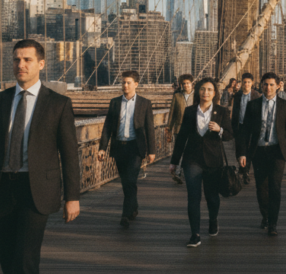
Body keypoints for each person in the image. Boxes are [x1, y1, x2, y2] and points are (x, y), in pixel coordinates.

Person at [0, 39, 80, 274]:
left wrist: (72, 196)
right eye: (16, 60)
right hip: (1, 188)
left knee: (25, 260)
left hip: (36, 191)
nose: (20, 64)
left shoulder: (59, 104)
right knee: (7, 259)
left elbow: (69, 153)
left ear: (41, 64)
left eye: (27, 60)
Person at [169, 77, 233, 248]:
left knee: (212, 198)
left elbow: (229, 135)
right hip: (192, 160)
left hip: (214, 161)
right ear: (198, 91)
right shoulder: (189, 111)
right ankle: (195, 234)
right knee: (193, 198)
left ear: (214, 93)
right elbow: (182, 138)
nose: (206, 93)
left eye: (210, 90)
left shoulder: (222, 111)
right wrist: (174, 162)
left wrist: (220, 130)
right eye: (203, 89)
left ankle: (213, 220)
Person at [237, 72, 286, 236]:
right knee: (261, 188)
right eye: (265, 84)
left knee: (275, 187)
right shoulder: (253, 105)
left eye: (272, 84)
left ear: (278, 86)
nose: (268, 87)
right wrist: (242, 153)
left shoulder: (285, 105)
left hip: (277, 150)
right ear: (261, 85)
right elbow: (245, 131)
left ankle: (273, 223)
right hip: (259, 151)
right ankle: (265, 215)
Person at [98, 70, 156, 227]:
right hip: (119, 147)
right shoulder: (115, 102)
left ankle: (125, 215)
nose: (125, 85)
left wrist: (152, 150)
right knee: (126, 182)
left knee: (130, 180)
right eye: (123, 82)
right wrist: (102, 148)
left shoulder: (145, 103)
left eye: (128, 82)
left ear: (136, 84)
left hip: (135, 147)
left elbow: (150, 128)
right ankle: (134, 207)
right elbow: (107, 126)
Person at [230, 73, 259, 184]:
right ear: (241, 83)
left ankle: (245, 171)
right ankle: (242, 168)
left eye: (248, 82)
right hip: (240, 126)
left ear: (252, 83)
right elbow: (234, 112)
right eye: (244, 82)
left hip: (252, 127)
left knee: (248, 150)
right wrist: (233, 127)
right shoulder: (237, 95)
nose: (246, 84)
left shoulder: (256, 95)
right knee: (240, 149)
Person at [167, 74, 191, 184]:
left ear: (192, 83)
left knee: (189, 151)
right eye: (184, 84)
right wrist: (169, 128)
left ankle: (185, 171)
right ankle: (178, 172)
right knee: (179, 150)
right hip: (179, 128)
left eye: (188, 83)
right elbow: (172, 113)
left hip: (193, 129)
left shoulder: (197, 96)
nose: (186, 85)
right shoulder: (177, 96)